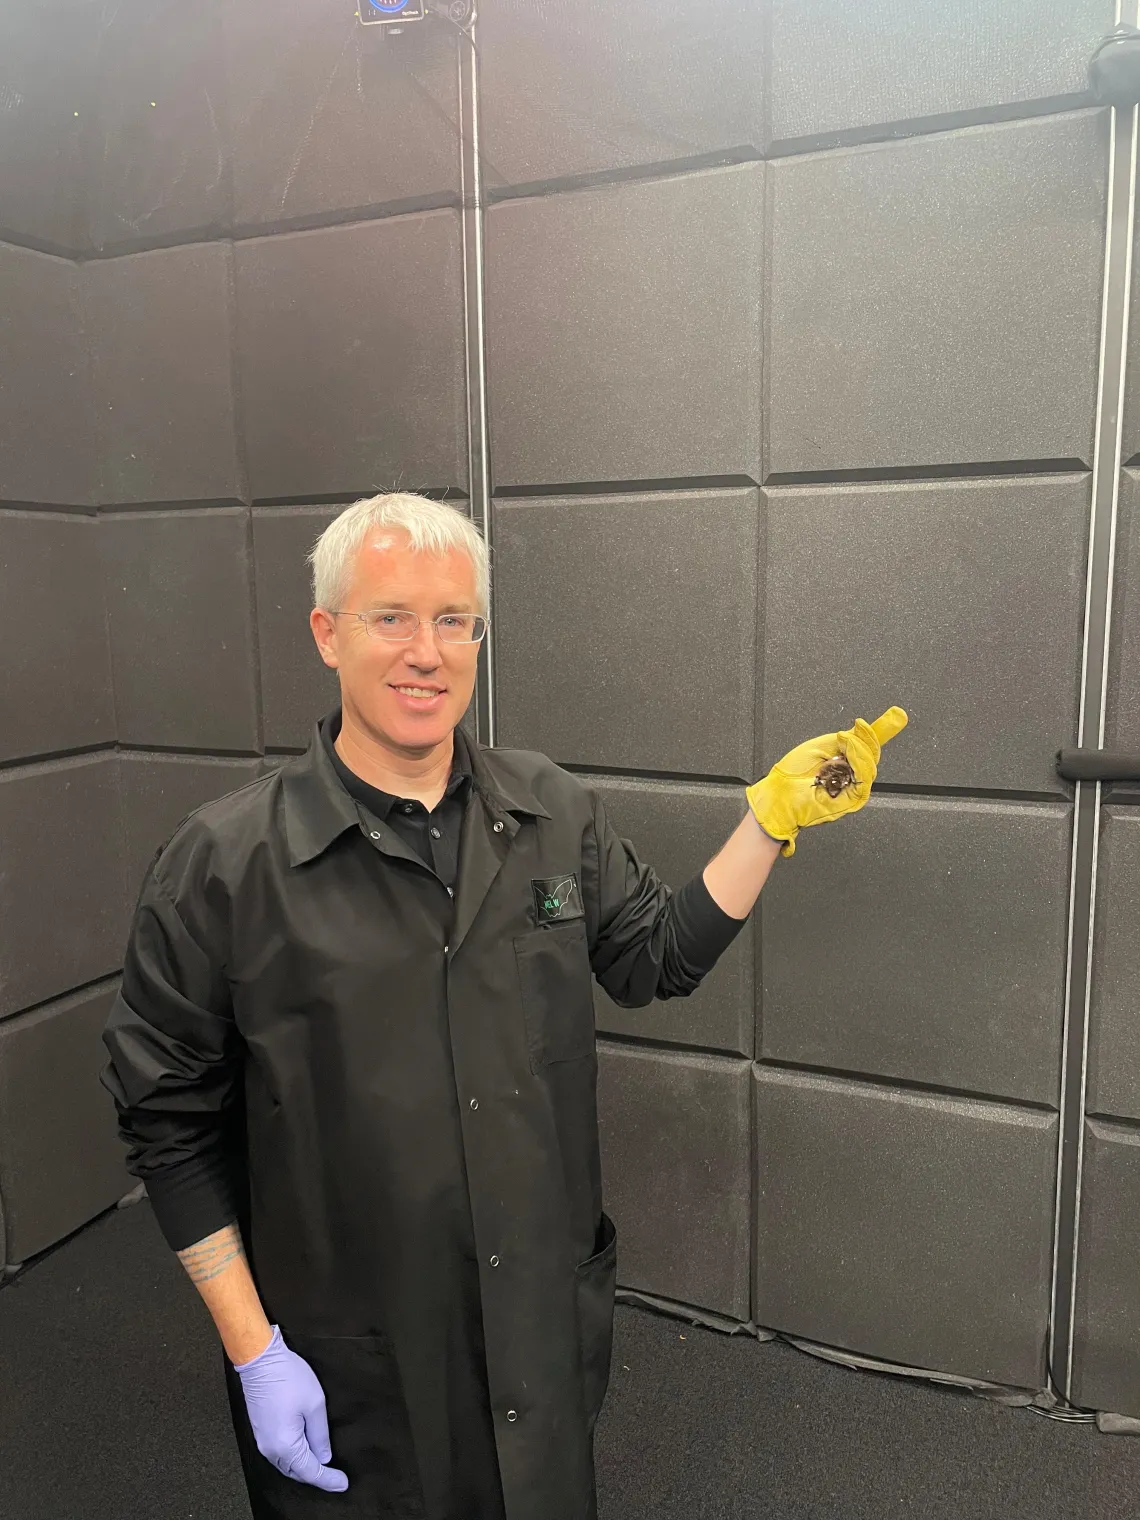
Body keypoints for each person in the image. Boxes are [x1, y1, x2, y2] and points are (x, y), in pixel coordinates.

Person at [101, 492, 906, 1520]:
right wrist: (254, 1349)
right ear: (326, 632)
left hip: (536, 1330)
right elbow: (165, 1124)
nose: (425, 651)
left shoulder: (551, 811)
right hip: (354, 1359)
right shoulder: (221, 864)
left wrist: (769, 819)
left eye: (453, 618)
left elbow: (655, 957)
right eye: (390, 615)